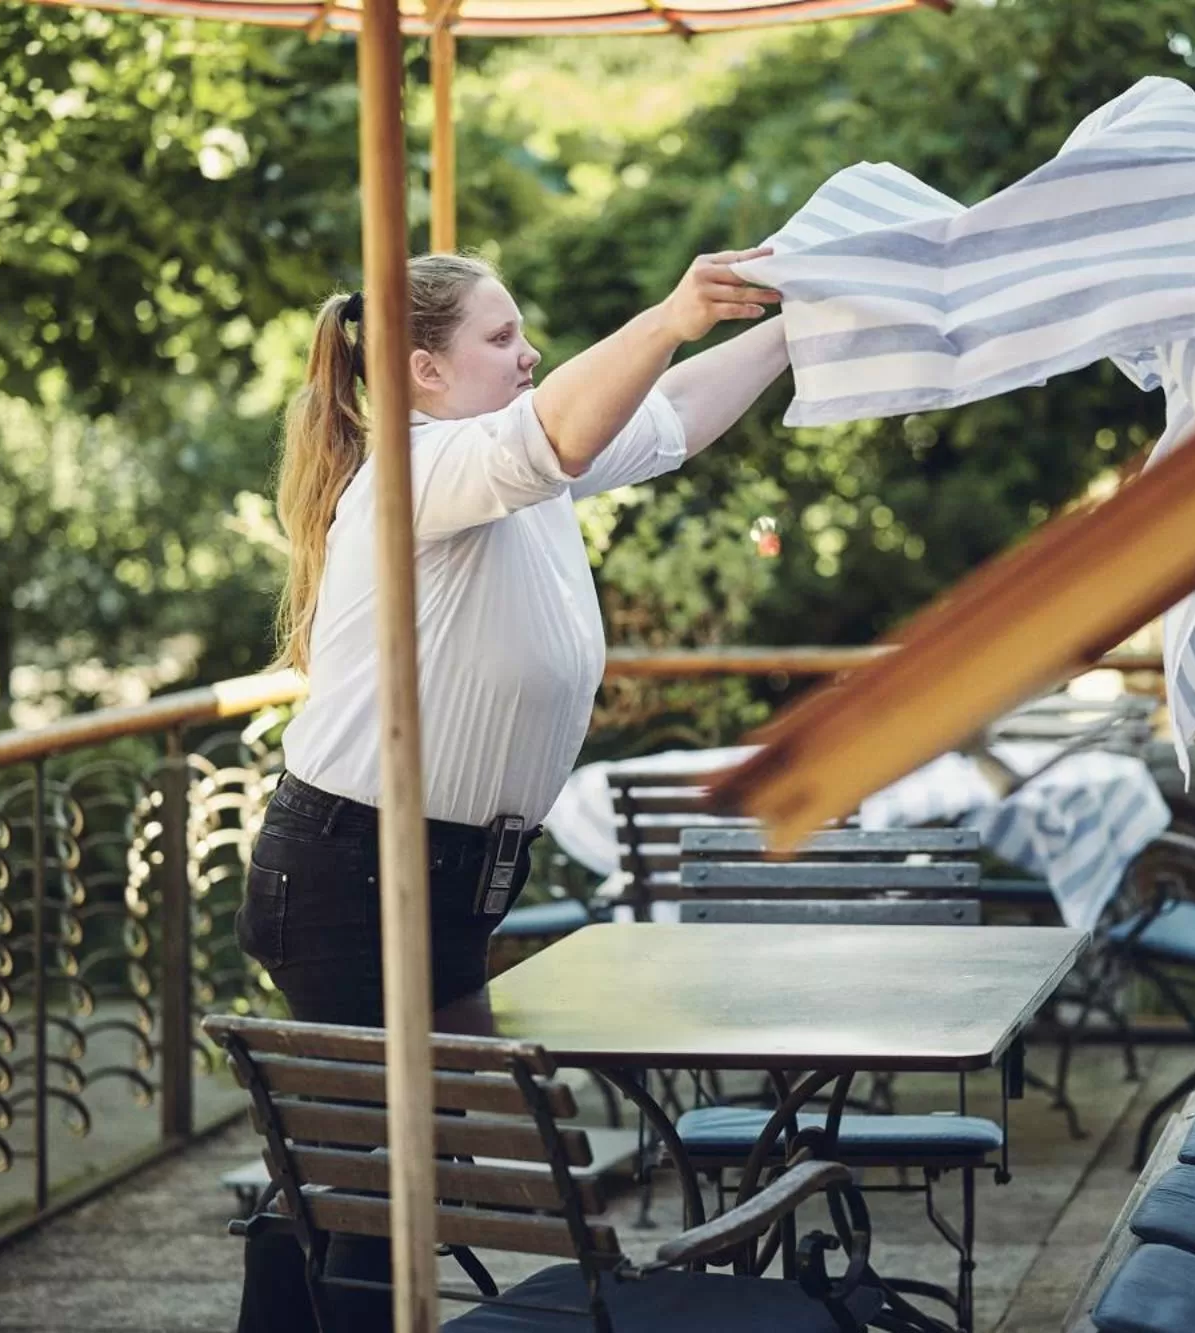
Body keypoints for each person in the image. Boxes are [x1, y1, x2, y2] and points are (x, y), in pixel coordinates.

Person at [232, 247, 787, 1330]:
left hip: (436, 877)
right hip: (353, 872)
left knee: (423, 1155)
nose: (528, 352)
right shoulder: (419, 467)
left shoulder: (513, 465)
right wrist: (669, 311)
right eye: (500, 337)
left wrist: (790, 328)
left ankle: (290, 1268)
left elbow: (664, 412)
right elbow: (569, 423)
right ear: (421, 371)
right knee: (385, 1191)